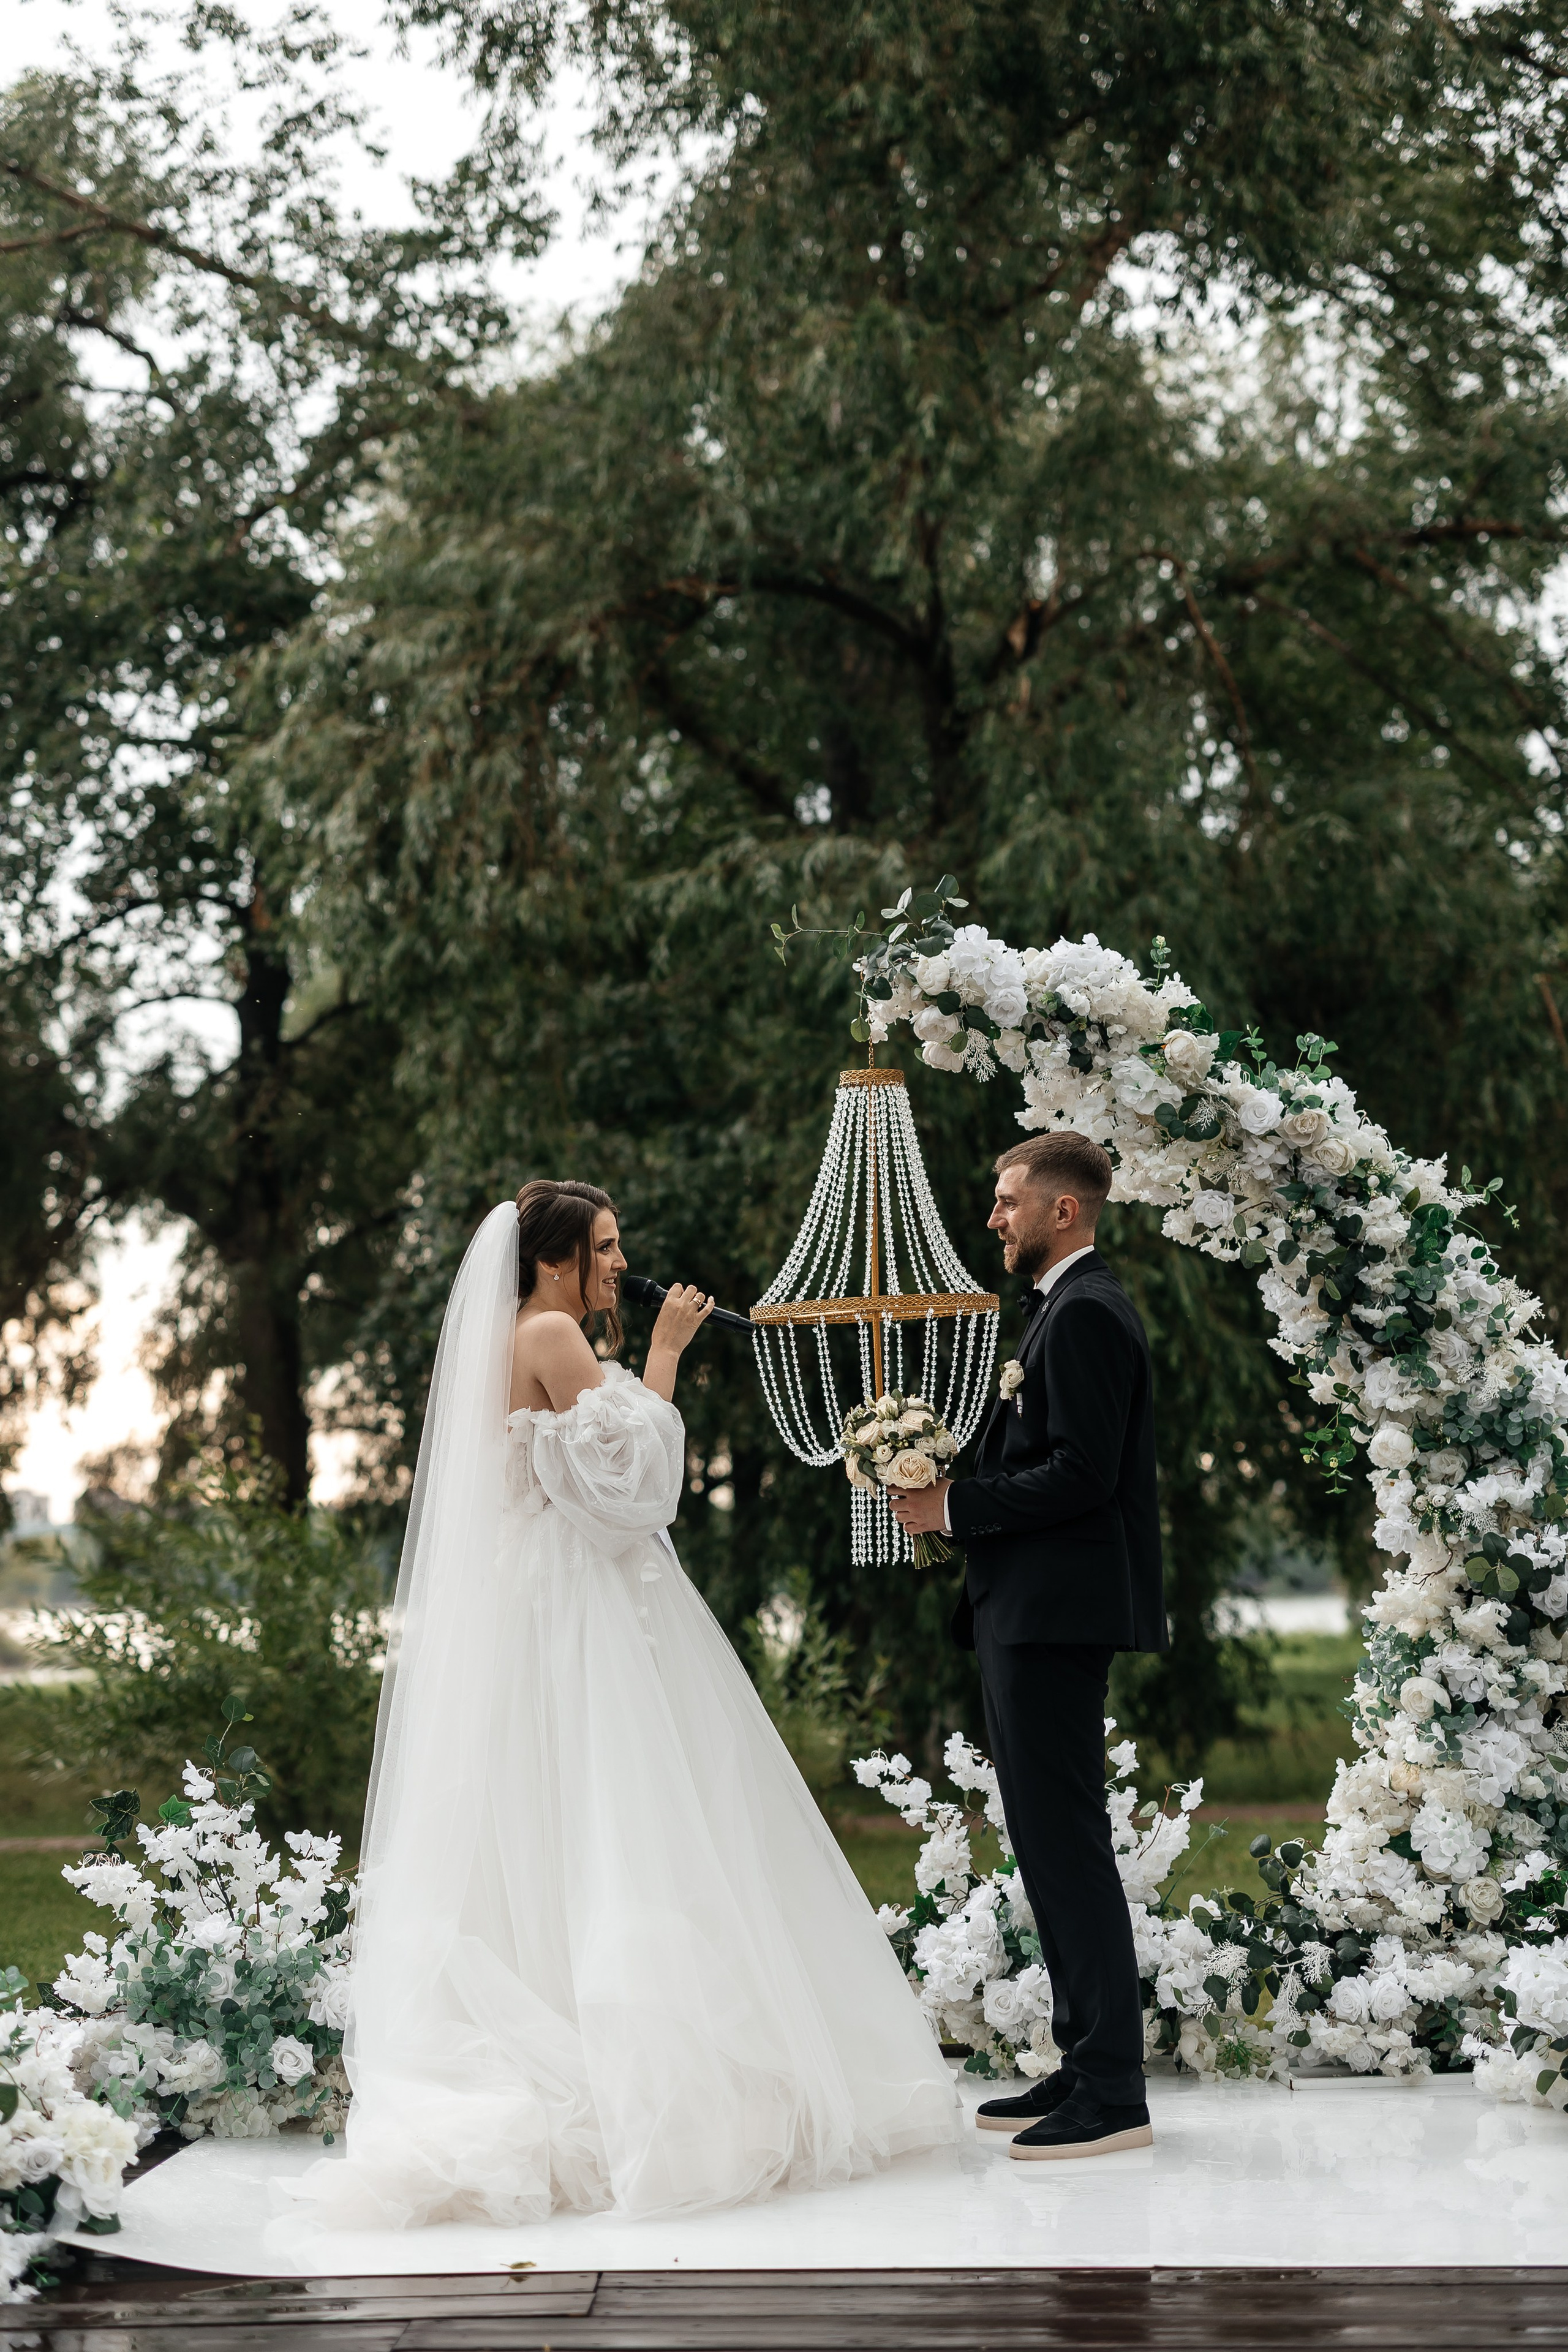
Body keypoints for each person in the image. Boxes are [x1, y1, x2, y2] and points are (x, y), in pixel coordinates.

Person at [296, 1179, 957, 2230]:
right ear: (556, 1257)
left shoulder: (517, 1332)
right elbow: (631, 1497)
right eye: (604, 1248)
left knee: (554, 1827)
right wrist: (664, 1355)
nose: (618, 1264)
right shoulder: (554, 1332)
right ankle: (647, 2089)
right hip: (578, 1613)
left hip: (534, 1610)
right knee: (625, 1822)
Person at [890, 1133, 1165, 2162]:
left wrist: (950, 1502)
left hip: (1055, 1615)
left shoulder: (1087, 1314)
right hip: (1028, 1609)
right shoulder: (1058, 1308)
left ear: (1065, 1212)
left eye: (1009, 1202)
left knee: (1068, 1847)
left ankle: (1113, 2092)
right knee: (1048, 1845)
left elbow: (1083, 1476)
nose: (995, 1217)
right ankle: (1084, 2056)